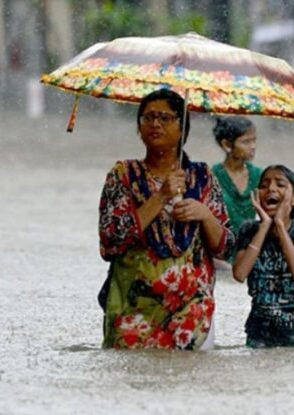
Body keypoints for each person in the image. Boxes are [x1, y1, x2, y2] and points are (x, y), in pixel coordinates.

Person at [98, 89, 235, 350]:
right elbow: (110, 241)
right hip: (133, 308)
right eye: (147, 118)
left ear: (182, 127)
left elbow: (226, 247)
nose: (155, 124)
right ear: (138, 128)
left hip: (192, 311)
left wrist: (204, 215)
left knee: (188, 382)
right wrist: (160, 196)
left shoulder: (202, 177)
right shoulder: (123, 175)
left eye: (164, 117)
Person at [232, 165, 294, 348]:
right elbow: (239, 274)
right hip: (258, 337)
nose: (270, 188)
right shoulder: (248, 230)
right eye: (264, 185)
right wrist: (264, 225)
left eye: (280, 184)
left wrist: (279, 224)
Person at [211, 116, 263, 261]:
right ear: (227, 145)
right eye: (246, 142)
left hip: (248, 252)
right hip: (219, 256)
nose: (253, 146)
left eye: (254, 140)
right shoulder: (211, 176)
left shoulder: (259, 176)